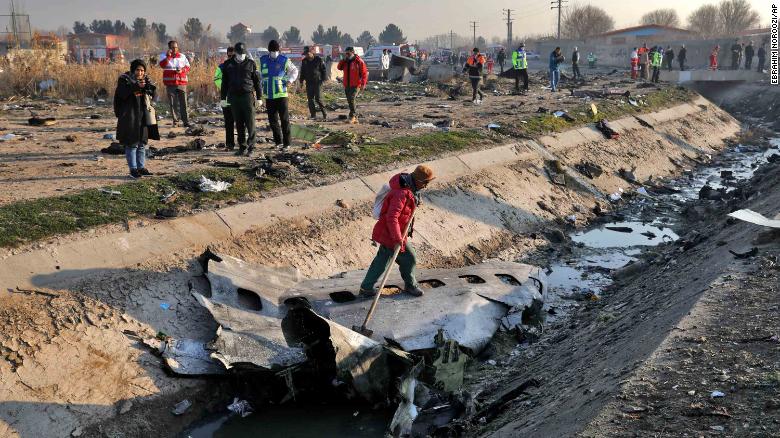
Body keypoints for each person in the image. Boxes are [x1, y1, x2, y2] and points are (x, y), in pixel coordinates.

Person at [358, 165, 435, 298]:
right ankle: (410, 285)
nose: (426, 186)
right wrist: (397, 238)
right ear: (418, 181)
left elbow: (406, 207)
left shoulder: (411, 189)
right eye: (426, 183)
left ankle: (366, 288)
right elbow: (392, 217)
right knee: (406, 258)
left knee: (384, 261)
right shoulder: (401, 194)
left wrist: (414, 202)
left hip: (395, 233)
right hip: (391, 233)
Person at [114, 59, 157, 179]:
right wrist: (136, 86)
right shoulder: (124, 79)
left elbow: (154, 95)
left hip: (142, 116)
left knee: (142, 144)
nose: (140, 72)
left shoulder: (146, 80)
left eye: (142, 70)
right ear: (133, 69)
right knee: (131, 144)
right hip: (129, 116)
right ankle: (133, 169)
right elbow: (122, 94)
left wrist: (148, 87)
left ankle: (141, 167)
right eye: (138, 70)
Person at [220, 42, 262, 156]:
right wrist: (223, 98)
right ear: (235, 53)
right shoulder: (228, 64)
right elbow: (224, 83)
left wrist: (259, 97)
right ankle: (242, 146)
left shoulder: (251, 64)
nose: (241, 55)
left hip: (247, 96)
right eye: (239, 53)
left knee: (250, 122)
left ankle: (251, 147)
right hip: (234, 97)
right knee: (239, 123)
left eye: (243, 53)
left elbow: (257, 82)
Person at [259, 40, 299, 149]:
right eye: (272, 51)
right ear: (269, 50)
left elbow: (295, 71)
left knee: (284, 120)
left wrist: (290, 80)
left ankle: (287, 143)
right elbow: (262, 76)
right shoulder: (263, 60)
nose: (274, 52)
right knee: (273, 121)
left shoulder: (284, 60)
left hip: (281, 95)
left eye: (276, 50)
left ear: (279, 50)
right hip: (269, 96)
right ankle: (278, 142)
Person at [159, 40, 191, 127]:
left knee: (184, 103)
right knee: (173, 104)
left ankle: (186, 121)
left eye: (176, 47)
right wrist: (168, 57)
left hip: (181, 83)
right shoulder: (163, 56)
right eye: (173, 47)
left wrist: (182, 70)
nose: (175, 49)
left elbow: (188, 67)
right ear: (169, 48)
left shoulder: (182, 56)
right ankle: (176, 121)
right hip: (170, 83)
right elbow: (162, 65)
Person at [337, 47, 368, 124]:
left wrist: (363, 84)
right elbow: (339, 67)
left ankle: (352, 116)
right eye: (346, 53)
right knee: (349, 101)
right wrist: (343, 60)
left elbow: (364, 73)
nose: (347, 55)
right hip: (347, 84)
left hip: (356, 84)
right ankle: (355, 117)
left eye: (348, 53)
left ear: (352, 52)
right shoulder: (345, 61)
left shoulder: (359, 61)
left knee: (351, 99)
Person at [213, 46, 236, 150]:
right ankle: (230, 144)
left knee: (241, 122)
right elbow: (217, 79)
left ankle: (242, 143)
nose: (231, 57)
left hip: (238, 99)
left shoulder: (241, 66)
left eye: (233, 55)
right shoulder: (222, 66)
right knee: (229, 122)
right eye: (229, 55)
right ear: (227, 55)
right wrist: (225, 87)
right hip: (226, 98)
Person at [300, 46, 327, 121]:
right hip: (309, 82)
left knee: (318, 98)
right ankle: (313, 115)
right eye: (305, 54)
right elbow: (302, 72)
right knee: (310, 99)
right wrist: (301, 81)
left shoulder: (318, 59)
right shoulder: (304, 61)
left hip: (318, 82)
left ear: (312, 52)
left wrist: (324, 79)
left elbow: (323, 70)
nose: (306, 55)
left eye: (307, 53)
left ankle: (324, 113)